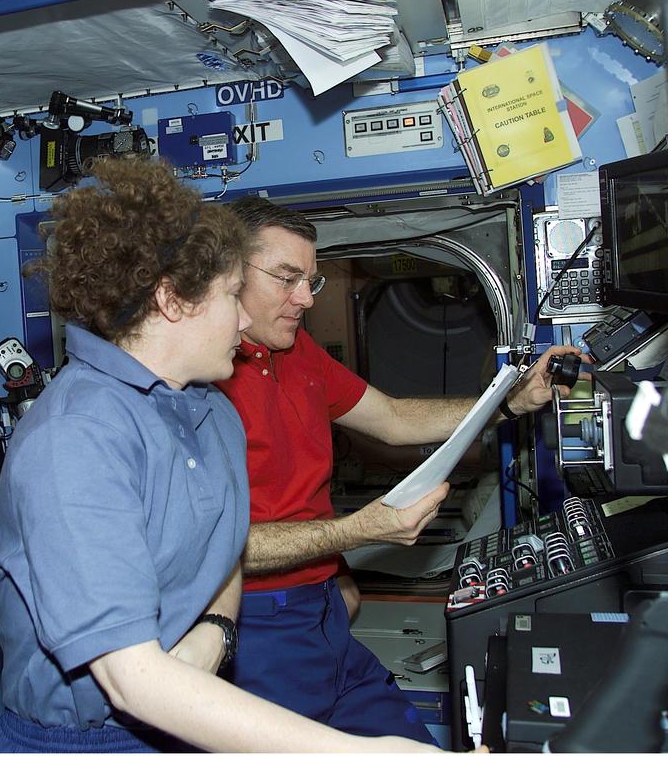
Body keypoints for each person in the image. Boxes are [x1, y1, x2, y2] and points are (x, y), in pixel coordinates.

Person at [0, 158, 443, 753]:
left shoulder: (210, 411)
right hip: (86, 743)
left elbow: (224, 548)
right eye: (230, 295)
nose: (246, 316)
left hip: (185, 703)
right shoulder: (76, 437)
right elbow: (132, 681)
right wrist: (365, 756)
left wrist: (217, 630)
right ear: (173, 301)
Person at [216, 196, 585, 741]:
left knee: (416, 750)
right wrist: (357, 531)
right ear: (226, 271)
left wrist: (510, 401)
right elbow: (217, 546)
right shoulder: (200, 380)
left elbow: (391, 417)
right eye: (286, 278)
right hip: (257, 618)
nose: (304, 299)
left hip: (324, 610)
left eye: (311, 282)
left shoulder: (295, 350)